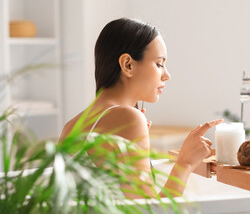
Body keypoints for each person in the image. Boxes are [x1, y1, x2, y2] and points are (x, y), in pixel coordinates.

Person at [60, 18, 223, 199]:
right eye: (159, 64)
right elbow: (149, 211)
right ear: (128, 65)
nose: (167, 75)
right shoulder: (128, 118)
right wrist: (185, 163)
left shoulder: (71, 125)